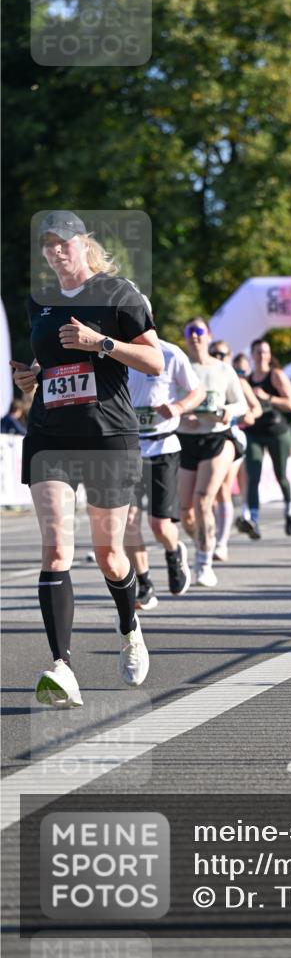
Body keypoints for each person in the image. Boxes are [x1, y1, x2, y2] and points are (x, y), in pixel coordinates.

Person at [11, 210, 163, 707]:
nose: (56, 251)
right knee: (56, 548)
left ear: (84, 243)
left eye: (64, 242)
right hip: (50, 435)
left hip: (107, 436)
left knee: (109, 555)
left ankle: (130, 627)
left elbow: (155, 360)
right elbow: (52, 363)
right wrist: (32, 377)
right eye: (47, 244)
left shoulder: (119, 293)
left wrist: (103, 343)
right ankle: (62, 666)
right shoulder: (40, 302)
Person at [124, 299, 205, 609]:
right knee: (128, 522)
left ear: (149, 318)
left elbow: (197, 391)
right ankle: (144, 584)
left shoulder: (171, 353)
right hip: (129, 448)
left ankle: (174, 553)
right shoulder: (117, 354)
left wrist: (179, 407)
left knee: (159, 524)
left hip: (163, 447)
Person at [177, 318, 247, 585]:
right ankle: (202, 543)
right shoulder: (180, 367)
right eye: (190, 331)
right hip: (186, 440)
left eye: (199, 331)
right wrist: (182, 415)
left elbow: (241, 404)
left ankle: (204, 563)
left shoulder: (223, 369)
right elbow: (165, 402)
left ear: (208, 335)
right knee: (185, 511)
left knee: (203, 499)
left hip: (217, 438)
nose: (195, 336)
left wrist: (229, 410)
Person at [210, 341, 262, 562]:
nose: (218, 357)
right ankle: (213, 534)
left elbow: (256, 409)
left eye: (222, 354)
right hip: (206, 437)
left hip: (232, 437)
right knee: (209, 493)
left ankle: (221, 544)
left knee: (223, 487)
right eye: (214, 353)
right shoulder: (202, 377)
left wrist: (246, 415)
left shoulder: (237, 380)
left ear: (229, 356)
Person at [241, 339, 291, 539]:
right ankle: (254, 520)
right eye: (258, 352)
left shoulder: (276, 375)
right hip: (254, 432)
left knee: (280, 475)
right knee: (253, 475)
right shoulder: (247, 379)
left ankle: (289, 509)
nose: (261, 355)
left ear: (270, 354)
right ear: (252, 355)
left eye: (265, 352)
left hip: (277, 432)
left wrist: (268, 397)